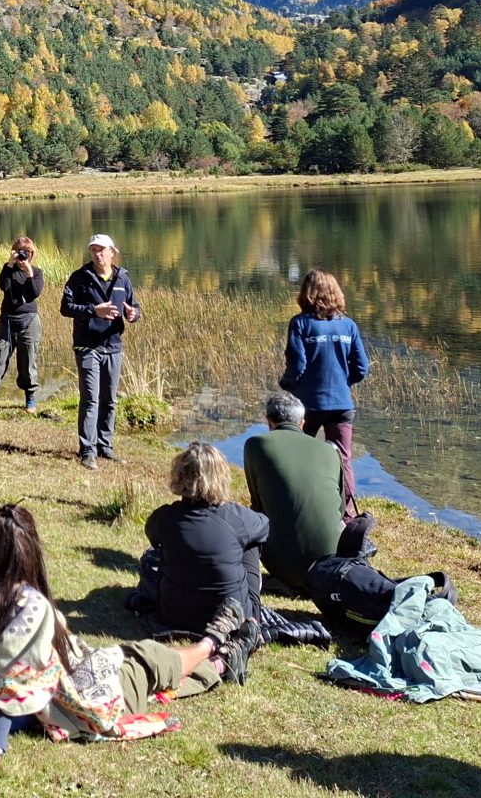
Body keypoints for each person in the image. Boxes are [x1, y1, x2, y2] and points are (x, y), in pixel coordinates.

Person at [0, 504, 253, 765]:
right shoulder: (29, 606)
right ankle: (214, 642)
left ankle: (221, 659)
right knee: (146, 657)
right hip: (75, 700)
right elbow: (11, 679)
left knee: (149, 673)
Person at [143, 442, 270, 637]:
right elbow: (264, 525)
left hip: (172, 615)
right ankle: (254, 617)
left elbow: (152, 537)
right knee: (251, 542)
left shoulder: (165, 517)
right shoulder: (237, 517)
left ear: (180, 475)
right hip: (232, 620)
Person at [281, 268, 370, 512]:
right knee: (343, 459)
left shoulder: (300, 324)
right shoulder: (349, 326)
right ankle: (349, 513)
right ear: (335, 293)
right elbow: (362, 368)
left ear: (306, 293)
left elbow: (297, 364)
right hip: (342, 404)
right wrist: (342, 383)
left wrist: (287, 385)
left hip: (307, 405)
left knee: (299, 454)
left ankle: (298, 506)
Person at [244, 392, 350, 593]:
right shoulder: (330, 450)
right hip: (331, 562)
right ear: (302, 423)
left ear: (268, 421)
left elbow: (257, 505)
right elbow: (341, 508)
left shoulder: (256, 444)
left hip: (283, 568)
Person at [60, 233, 141, 468]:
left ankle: (105, 447)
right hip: (87, 345)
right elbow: (66, 307)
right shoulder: (80, 277)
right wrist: (94, 310)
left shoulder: (123, 278)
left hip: (113, 345)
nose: (97, 254)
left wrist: (133, 315)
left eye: (101, 250)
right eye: (93, 250)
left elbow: (134, 307)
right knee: (90, 399)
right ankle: (87, 450)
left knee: (110, 400)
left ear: (111, 252)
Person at [0, 234, 44, 412]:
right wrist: (10, 264)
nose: (25, 256)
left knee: (28, 360)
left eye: (28, 253)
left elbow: (34, 293)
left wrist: (29, 272)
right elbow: (4, 286)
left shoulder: (37, 272)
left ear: (33, 254)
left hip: (29, 321)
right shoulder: (8, 269)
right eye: (21, 252)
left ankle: (30, 399)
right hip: (7, 320)